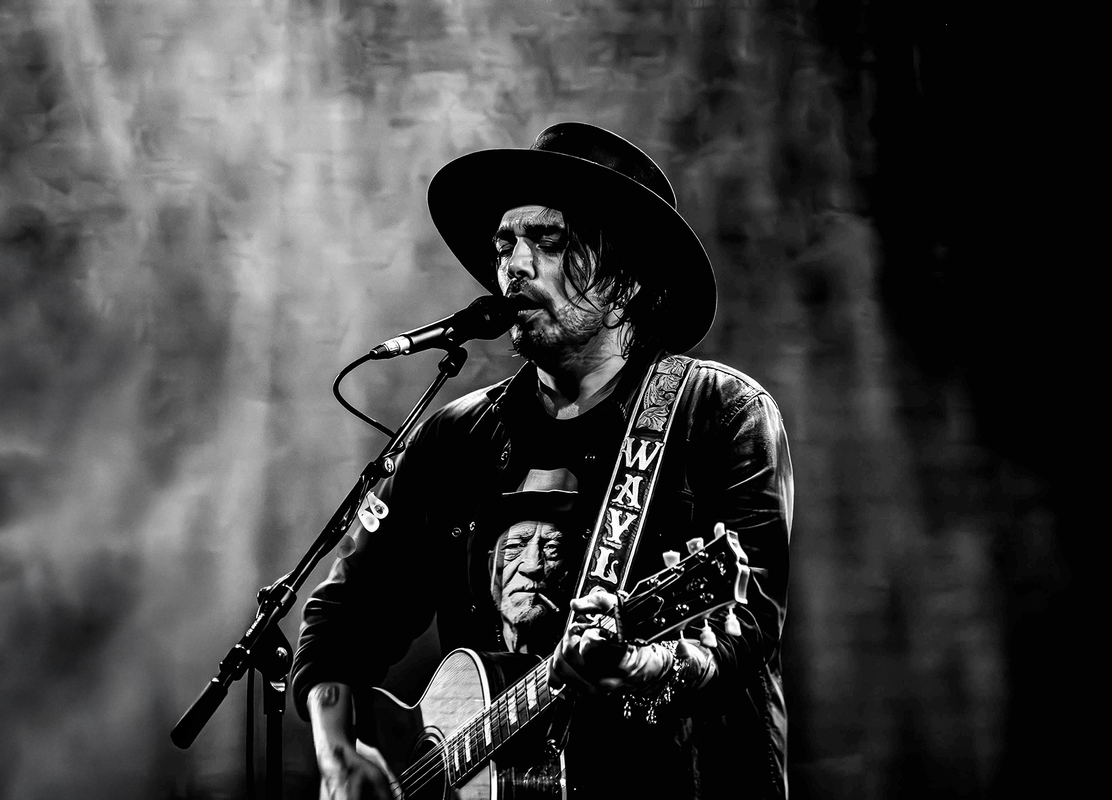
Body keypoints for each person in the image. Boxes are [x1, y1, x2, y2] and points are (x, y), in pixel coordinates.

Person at [291, 122, 794, 799]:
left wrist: (640, 665)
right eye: (504, 245)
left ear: (627, 281)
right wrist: (337, 757)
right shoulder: (456, 438)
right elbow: (343, 618)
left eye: (548, 242)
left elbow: (748, 621)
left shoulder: (719, 413)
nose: (514, 267)